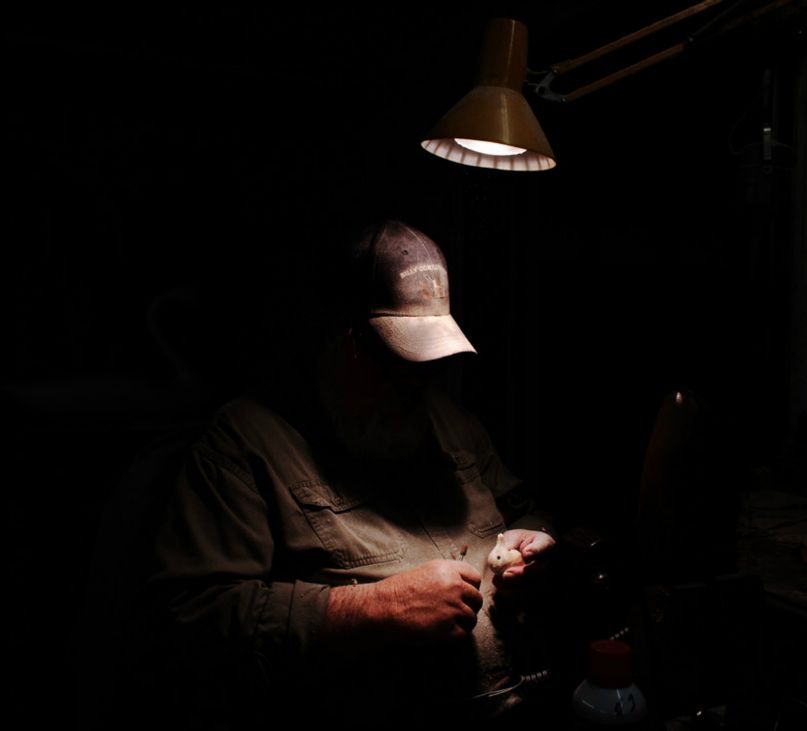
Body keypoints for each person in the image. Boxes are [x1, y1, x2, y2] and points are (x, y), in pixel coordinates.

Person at [126, 220, 557, 729]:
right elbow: (193, 618)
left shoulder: (454, 425)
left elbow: (526, 508)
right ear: (342, 336)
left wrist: (539, 544)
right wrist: (377, 607)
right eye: (394, 359)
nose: (412, 383)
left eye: (428, 364)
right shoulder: (248, 442)